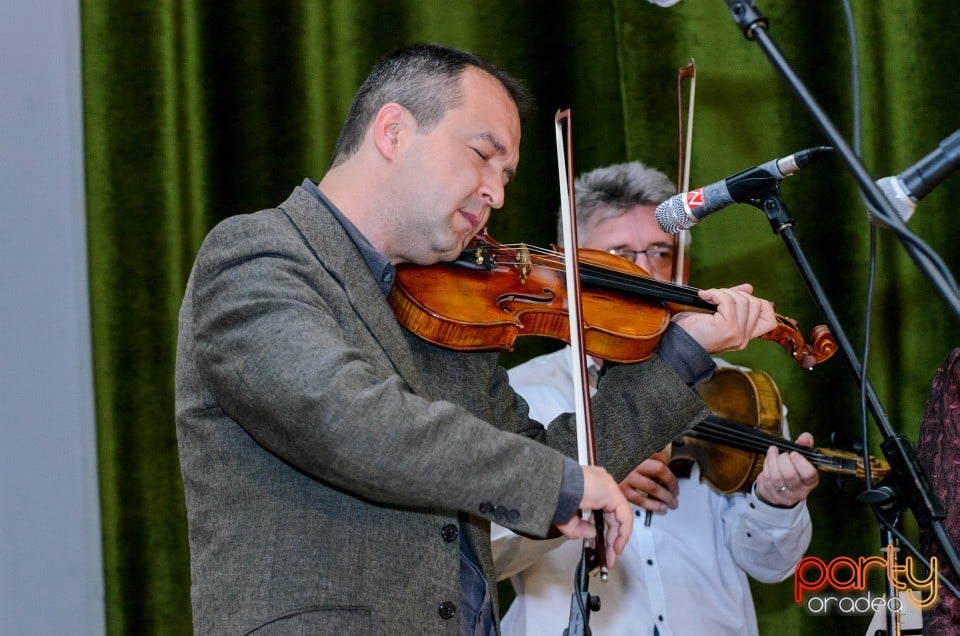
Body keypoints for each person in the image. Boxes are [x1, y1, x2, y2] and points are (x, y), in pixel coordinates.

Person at [175, 44, 778, 635]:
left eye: (508, 173)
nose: (498, 192)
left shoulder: (451, 304)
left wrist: (681, 354)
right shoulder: (258, 258)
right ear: (392, 131)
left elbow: (543, 457)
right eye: (482, 156)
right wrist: (559, 486)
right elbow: (347, 418)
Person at [492, 161, 820, 636]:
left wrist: (777, 502)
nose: (644, 272)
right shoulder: (518, 392)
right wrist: (576, 495)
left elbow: (770, 566)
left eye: (659, 252)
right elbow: (488, 552)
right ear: (571, 263)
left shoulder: (734, 392)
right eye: (620, 253)